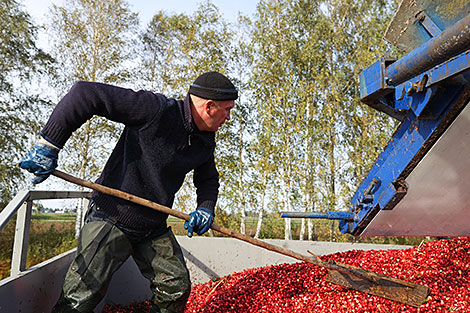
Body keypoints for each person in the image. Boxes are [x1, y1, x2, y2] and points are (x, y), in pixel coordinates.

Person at [18, 71, 238, 313]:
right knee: (79, 301)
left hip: (152, 227)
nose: (228, 117)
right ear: (209, 106)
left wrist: (205, 208)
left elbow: (207, 178)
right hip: (112, 217)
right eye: (227, 110)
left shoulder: (204, 140)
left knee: (176, 287)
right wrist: (49, 144)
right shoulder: (156, 110)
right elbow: (85, 93)